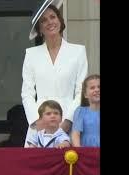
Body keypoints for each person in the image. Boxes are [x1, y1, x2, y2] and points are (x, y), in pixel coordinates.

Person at [21, 0, 88, 147]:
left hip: (68, 123)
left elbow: (81, 92)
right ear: (39, 28)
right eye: (44, 20)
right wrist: (36, 121)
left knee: (68, 167)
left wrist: (67, 122)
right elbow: (27, 93)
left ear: (60, 20)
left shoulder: (78, 51)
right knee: (34, 168)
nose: (49, 22)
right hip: (38, 125)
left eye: (53, 17)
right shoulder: (31, 54)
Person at [71, 74, 100, 147]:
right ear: (85, 95)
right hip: (86, 152)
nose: (97, 90)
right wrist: (79, 150)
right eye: (92, 88)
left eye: (99, 87)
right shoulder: (80, 111)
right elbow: (76, 134)